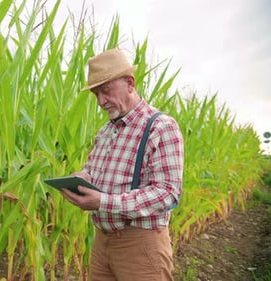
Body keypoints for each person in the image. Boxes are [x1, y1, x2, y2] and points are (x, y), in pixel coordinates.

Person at [60, 48, 184, 281]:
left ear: (130, 82)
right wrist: (84, 177)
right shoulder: (106, 131)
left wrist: (103, 202)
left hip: (140, 245)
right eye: (96, 94)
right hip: (102, 243)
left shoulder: (160, 127)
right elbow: (94, 169)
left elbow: (168, 193)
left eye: (105, 91)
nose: (101, 101)